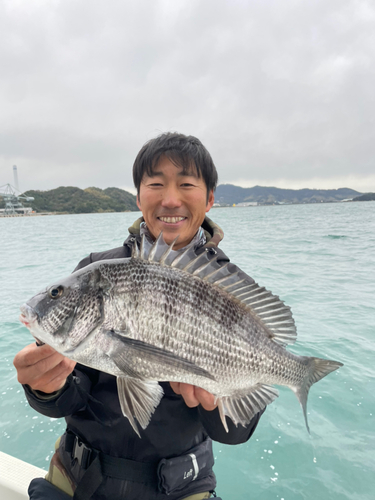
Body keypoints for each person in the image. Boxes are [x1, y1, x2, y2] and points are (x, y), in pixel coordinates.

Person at [14, 132, 264, 500]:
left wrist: (221, 405)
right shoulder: (96, 271)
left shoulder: (233, 291)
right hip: (77, 480)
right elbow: (69, 395)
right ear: (138, 195)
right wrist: (44, 388)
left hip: (181, 489)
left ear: (210, 198)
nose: (170, 199)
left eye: (187, 184)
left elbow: (234, 433)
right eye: (156, 184)